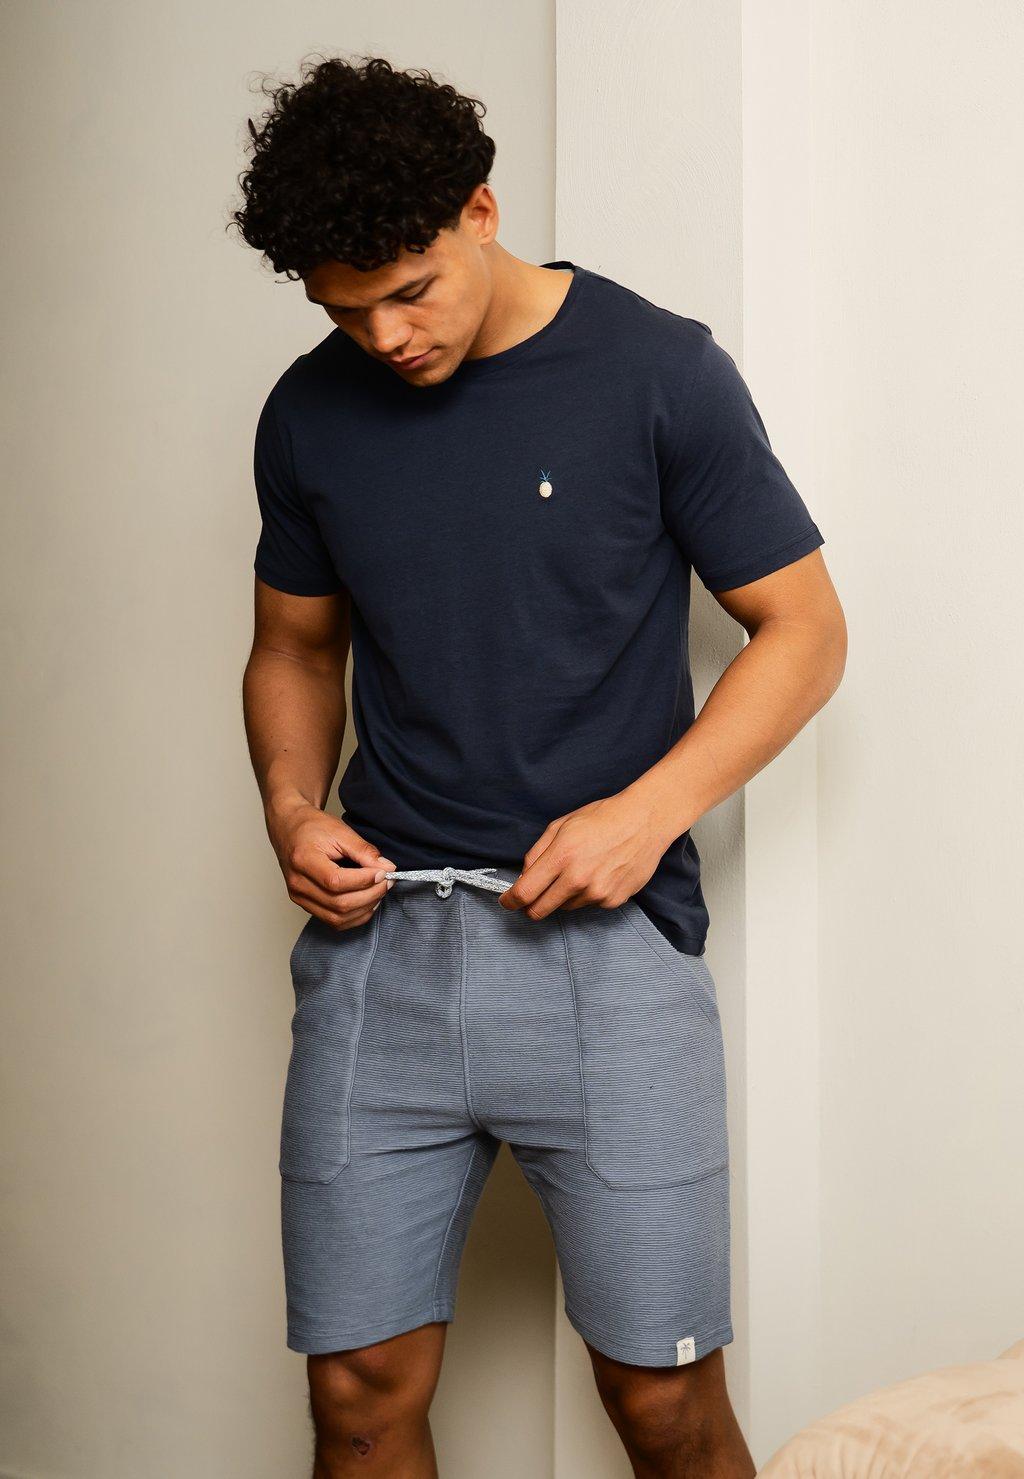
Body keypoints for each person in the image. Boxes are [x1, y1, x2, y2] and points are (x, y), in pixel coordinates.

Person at [233, 53, 846, 1479]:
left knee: (663, 1401)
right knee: (358, 1396)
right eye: (345, 311)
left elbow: (806, 630)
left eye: (410, 291)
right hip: (381, 954)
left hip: (606, 952)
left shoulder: (657, 370)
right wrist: (287, 806)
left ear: (482, 210)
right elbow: (293, 648)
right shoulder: (309, 413)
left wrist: (651, 811)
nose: (385, 337)